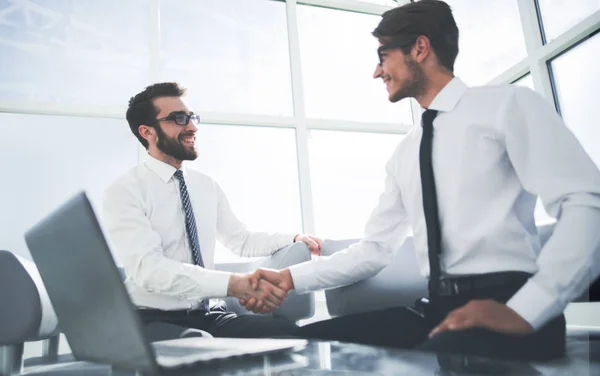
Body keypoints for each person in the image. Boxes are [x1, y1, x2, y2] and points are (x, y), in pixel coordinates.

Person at [245, 0, 600, 361]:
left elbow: (585, 201)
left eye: (383, 55)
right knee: (300, 347)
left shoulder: (507, 106)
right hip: (435, 309)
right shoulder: (405, 153)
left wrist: (529, 307)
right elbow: (375, 249)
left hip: (507, 301)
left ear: (419, 47)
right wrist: (288, 277)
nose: (376, 72)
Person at [103, 82, 322, 339]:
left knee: (285, 333)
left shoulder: (206, 185)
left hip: (209, 314)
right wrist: (234, 285)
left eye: (193, 117)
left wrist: (292, 239)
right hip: (150, 319)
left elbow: (241, 240)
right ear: (147, 131)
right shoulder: (126, 191)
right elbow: (151, 271)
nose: (193, 127)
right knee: (198, 345)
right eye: (179, 119)